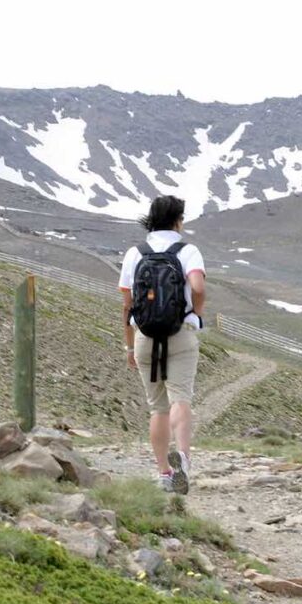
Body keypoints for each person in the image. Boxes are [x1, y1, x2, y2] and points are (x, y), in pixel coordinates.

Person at [119, 195, 206, 494]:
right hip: (179, 333)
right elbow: (197, 286)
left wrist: (130, 347)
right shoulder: (187, 251)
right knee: (181, 398)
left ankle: (164, 474)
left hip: (144, 337)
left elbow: (127, 305)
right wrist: (196, 313)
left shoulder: (135, 253)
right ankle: (182, 457)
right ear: (177, 220)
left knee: (157, 408)